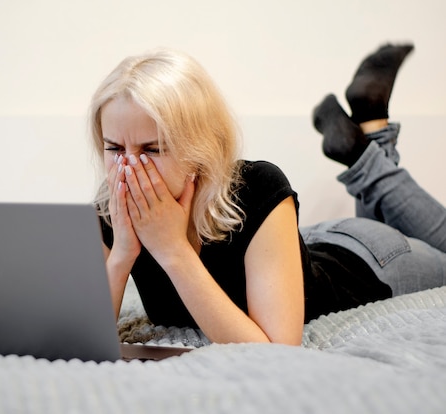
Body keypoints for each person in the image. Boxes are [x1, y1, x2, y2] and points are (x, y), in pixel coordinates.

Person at [88, 43, 446, 346]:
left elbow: (275, 350)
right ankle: (371, 121)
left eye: (153, 149)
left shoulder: (258, 185)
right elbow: (79, 335)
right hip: (300, 244)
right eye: (114, 148)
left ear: (197, 148)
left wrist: (173, 251)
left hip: (371, 259)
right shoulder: (114, 204)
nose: (129, 169)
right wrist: (121, 253)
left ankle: (362, 156)